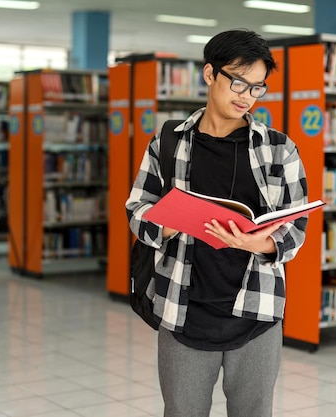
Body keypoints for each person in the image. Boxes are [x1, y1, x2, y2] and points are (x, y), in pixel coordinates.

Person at [125, 29, 309, 417]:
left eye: (257, 88)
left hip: (256, 313)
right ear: (210, 74)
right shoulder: (169, 143)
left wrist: (256, 243)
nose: (246, 96)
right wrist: (172, 222)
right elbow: (137, 211)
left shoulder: (279, 149)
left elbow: (295, 230)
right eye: (238, 82)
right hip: (183, 311)